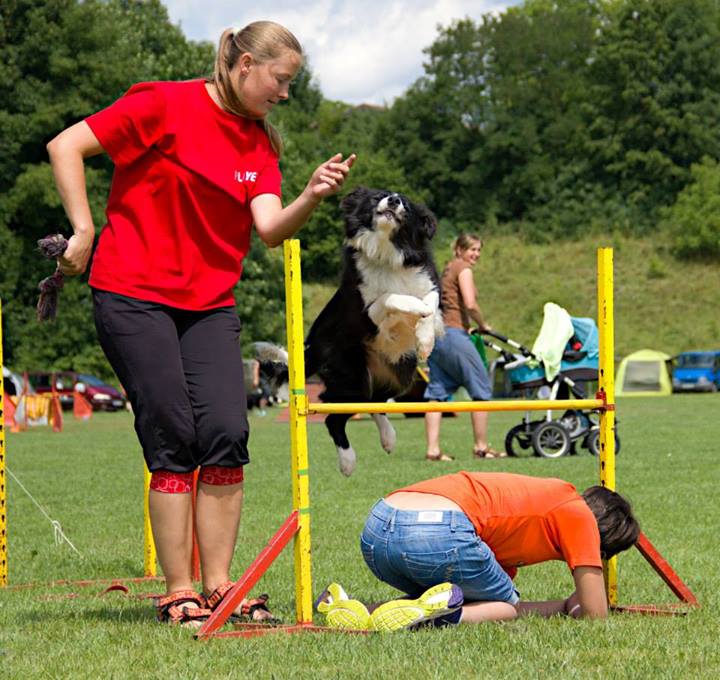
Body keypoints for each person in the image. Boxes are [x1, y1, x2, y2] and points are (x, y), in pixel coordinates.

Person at [46, 21, 355, 626]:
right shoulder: (163, 104)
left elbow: (269, 230)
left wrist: (311, 194)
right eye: (280, 80)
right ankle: (179, 588)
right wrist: (83, 230)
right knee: (173, 434)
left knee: (225, 432)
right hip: (133, 293)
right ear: (243, 63)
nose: (284, 94)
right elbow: (66, 146)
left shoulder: (260, 144)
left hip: (208, 303)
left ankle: (220, 586)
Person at [317, 471, 640, 631]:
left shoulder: (539, 503)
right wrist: (564, 605)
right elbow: (596, 615)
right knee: (502, 602)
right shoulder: (577, 512)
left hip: (378, 527)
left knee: (450, 596)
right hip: (436, 530)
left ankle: (355, 609)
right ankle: (423, 623)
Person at [424, 234, 505, 461]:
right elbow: (469, 303)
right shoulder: (464, 269)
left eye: (478, 250)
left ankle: (433, 450)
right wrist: (483, 324)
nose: (476, 255)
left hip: (437, 335)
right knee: (481, 389)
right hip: (453, 334)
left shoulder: (448, 269)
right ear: (459, 249)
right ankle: (481, 447)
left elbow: (450, 303)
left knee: (437, 393)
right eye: (472, 249)